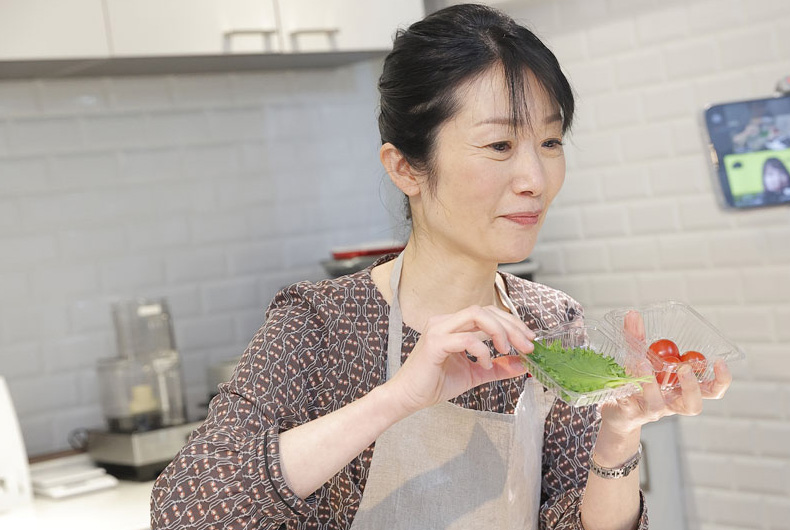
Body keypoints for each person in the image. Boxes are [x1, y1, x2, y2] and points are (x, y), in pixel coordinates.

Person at [150, 4, 732, 529]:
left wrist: (618, 437)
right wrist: (400, 396)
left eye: (551, 143)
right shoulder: (321, 323)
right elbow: (189, 509)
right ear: (406, 168)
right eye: (500, 146)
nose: (535, 179)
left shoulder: (550, 322)